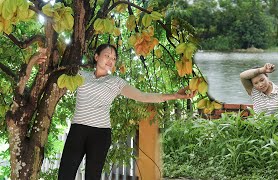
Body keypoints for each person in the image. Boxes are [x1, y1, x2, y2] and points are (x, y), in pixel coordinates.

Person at [57, 43, 196, 180]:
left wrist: (175, 95)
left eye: (114, 58)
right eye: (107, 56)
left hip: (100, 134)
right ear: (96, 56)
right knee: (65, 174)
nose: (110, 60)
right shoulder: (80, 75)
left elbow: (143, 96)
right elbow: (58, 75)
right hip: (78, 130)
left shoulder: (116, 82)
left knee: (92, 177)